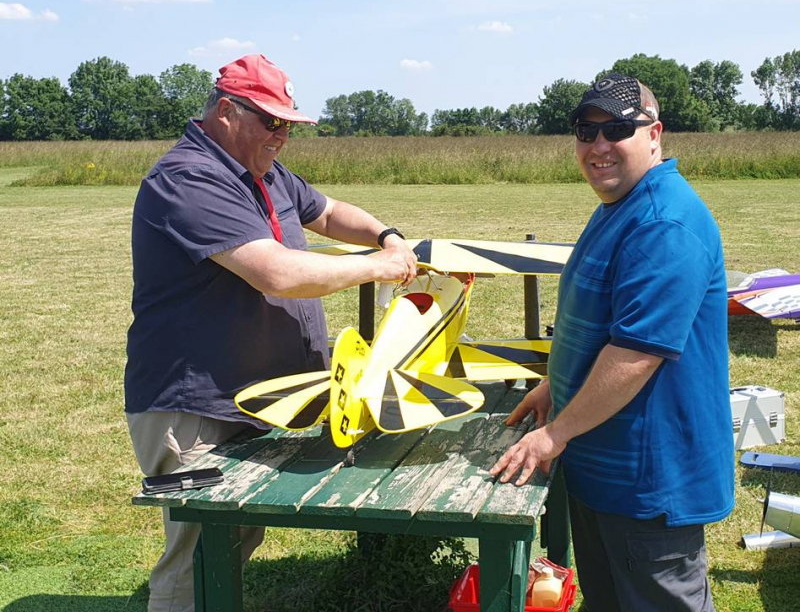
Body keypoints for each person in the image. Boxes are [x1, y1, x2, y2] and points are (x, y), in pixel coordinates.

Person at [124, 53, 417, 612]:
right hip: (193, 408)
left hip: (250, 397)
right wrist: (374, 267)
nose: (282, 135)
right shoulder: (189, 179)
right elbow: (278, 274)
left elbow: (330, 212)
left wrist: (387, 236)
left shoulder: (262, 171)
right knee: (197, 551)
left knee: (236, 534)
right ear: (228, 112)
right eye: (271, 121)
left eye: (288, 124)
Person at [490, 73, 734, 611]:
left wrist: (553, 436)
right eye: (586, 130)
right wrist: (556, 384)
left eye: (617, 128)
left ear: (655, 134)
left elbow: (635, 354)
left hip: (649, 482)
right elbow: (596, 320)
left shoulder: (663, 222)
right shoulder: (621, 206)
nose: (598, 145)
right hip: (605, 467)